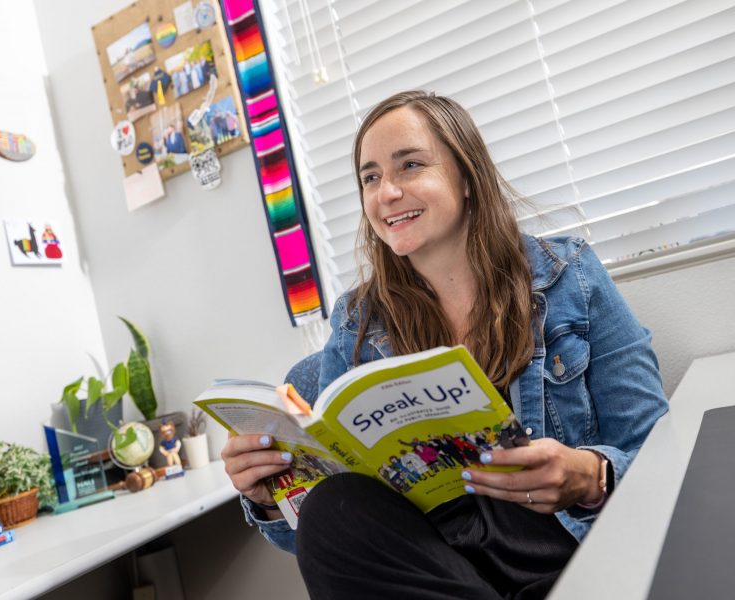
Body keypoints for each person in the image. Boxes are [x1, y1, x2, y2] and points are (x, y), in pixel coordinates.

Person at [221, 90, 668, 599]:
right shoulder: (355, 321)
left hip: (554, 549)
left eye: (410, 165)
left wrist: (589, 476)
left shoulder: (570, 277)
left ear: (467, 176)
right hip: (436, 565)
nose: (387, 192)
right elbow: (322, 538)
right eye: (370, 178)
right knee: (331, 505)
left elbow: (657, 450)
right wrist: (270, 499)